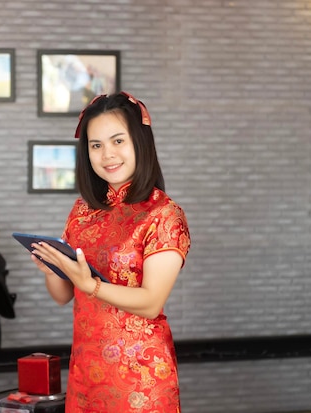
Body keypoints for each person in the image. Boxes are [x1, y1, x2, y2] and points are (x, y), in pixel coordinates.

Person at [29, 91, 191, 413]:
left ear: (140, 142)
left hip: (140, 377)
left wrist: (91, 284)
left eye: (118, 141)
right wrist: (52, 270)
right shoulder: (83, 212)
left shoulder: (163, 214)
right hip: (86, 371)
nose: (107, 155)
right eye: (96, 145)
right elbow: (63, 296)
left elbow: (150, 302)